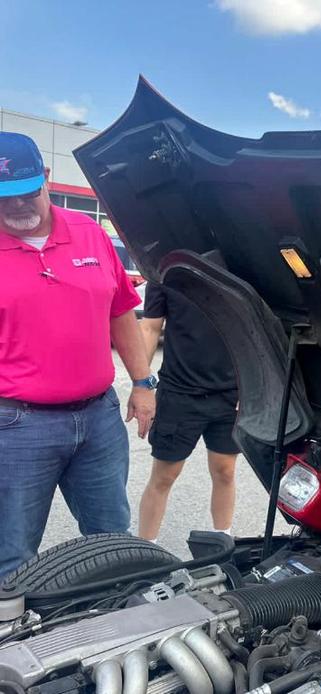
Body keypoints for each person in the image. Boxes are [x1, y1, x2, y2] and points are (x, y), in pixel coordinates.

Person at [0, 132, 156, 579]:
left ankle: (116, 630)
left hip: (99, 419)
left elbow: (121, 310)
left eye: (26, 193)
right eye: (3, 199)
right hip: (16, 427)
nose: (16, 208)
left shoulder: (89, 233)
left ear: (45, 179)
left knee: (111, 541)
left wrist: (144, 383)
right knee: (12, 554)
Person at [137, 281, 240, 542]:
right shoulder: (166, 270)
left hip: (230, 394)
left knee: (225, 470)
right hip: (179, 393)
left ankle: (223, 542)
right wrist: (141, 385)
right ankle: (146, 551)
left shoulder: (238, 266)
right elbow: (150, 327)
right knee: (165, 474)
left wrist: (252, 387)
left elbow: (253, 333)